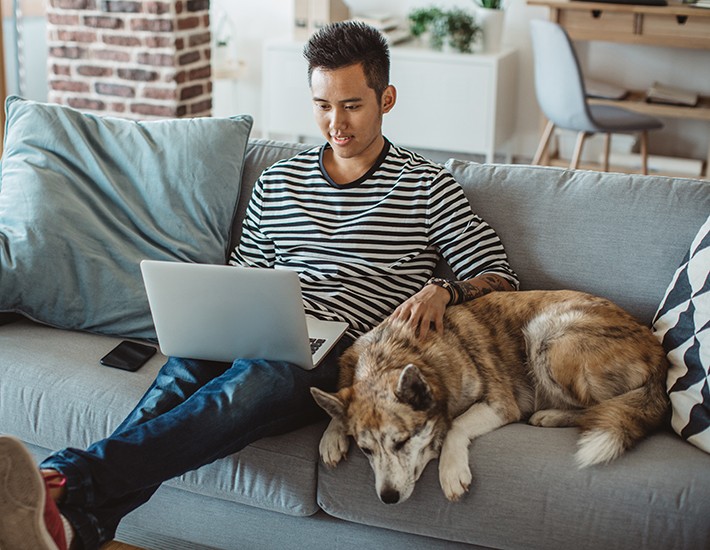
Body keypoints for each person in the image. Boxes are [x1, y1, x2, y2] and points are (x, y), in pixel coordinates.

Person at [0, 21, 518, 550]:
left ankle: (63, 478)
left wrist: (444, 290)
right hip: (259, 325)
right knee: (174, 387)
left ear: (386, 98)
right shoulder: (278, 182)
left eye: (351, 105)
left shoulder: (426, 186)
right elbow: (245, 274)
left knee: (245, 388)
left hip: (342, 353)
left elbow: (501, 275)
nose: (335, 122)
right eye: (322, 105)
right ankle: (76, 528)